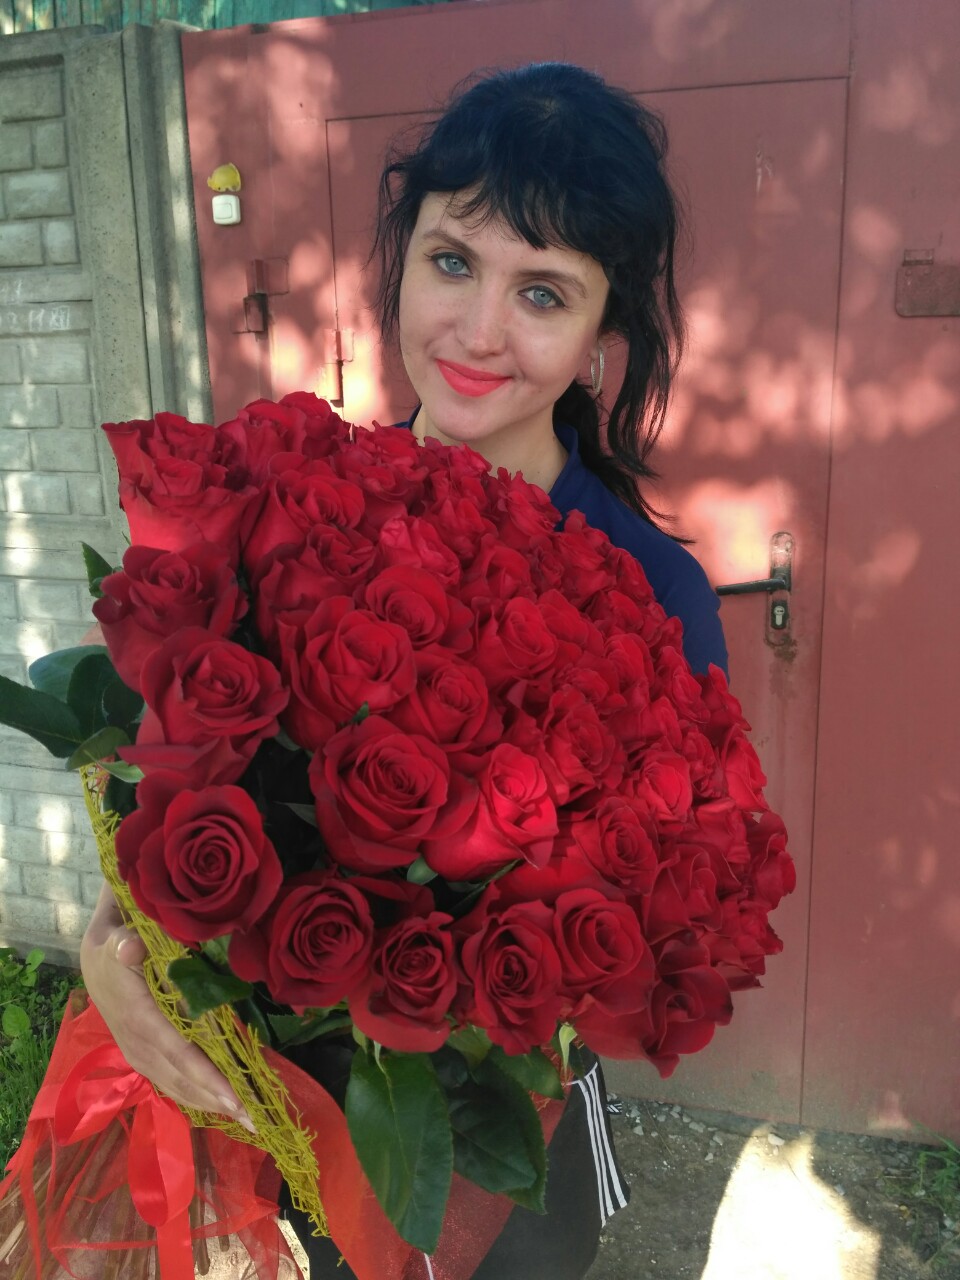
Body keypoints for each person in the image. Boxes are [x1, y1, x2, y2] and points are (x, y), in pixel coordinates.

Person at [80, 62, 728, 1279]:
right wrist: (114, 948)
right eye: (451, 261)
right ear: (399, 267)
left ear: (604, 338)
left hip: (508, 1135)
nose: (478, 330)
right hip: (273, 1123)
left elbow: (662, 906)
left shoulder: (656, 594)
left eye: (543, 292)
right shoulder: (291, 506)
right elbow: (169, 777)